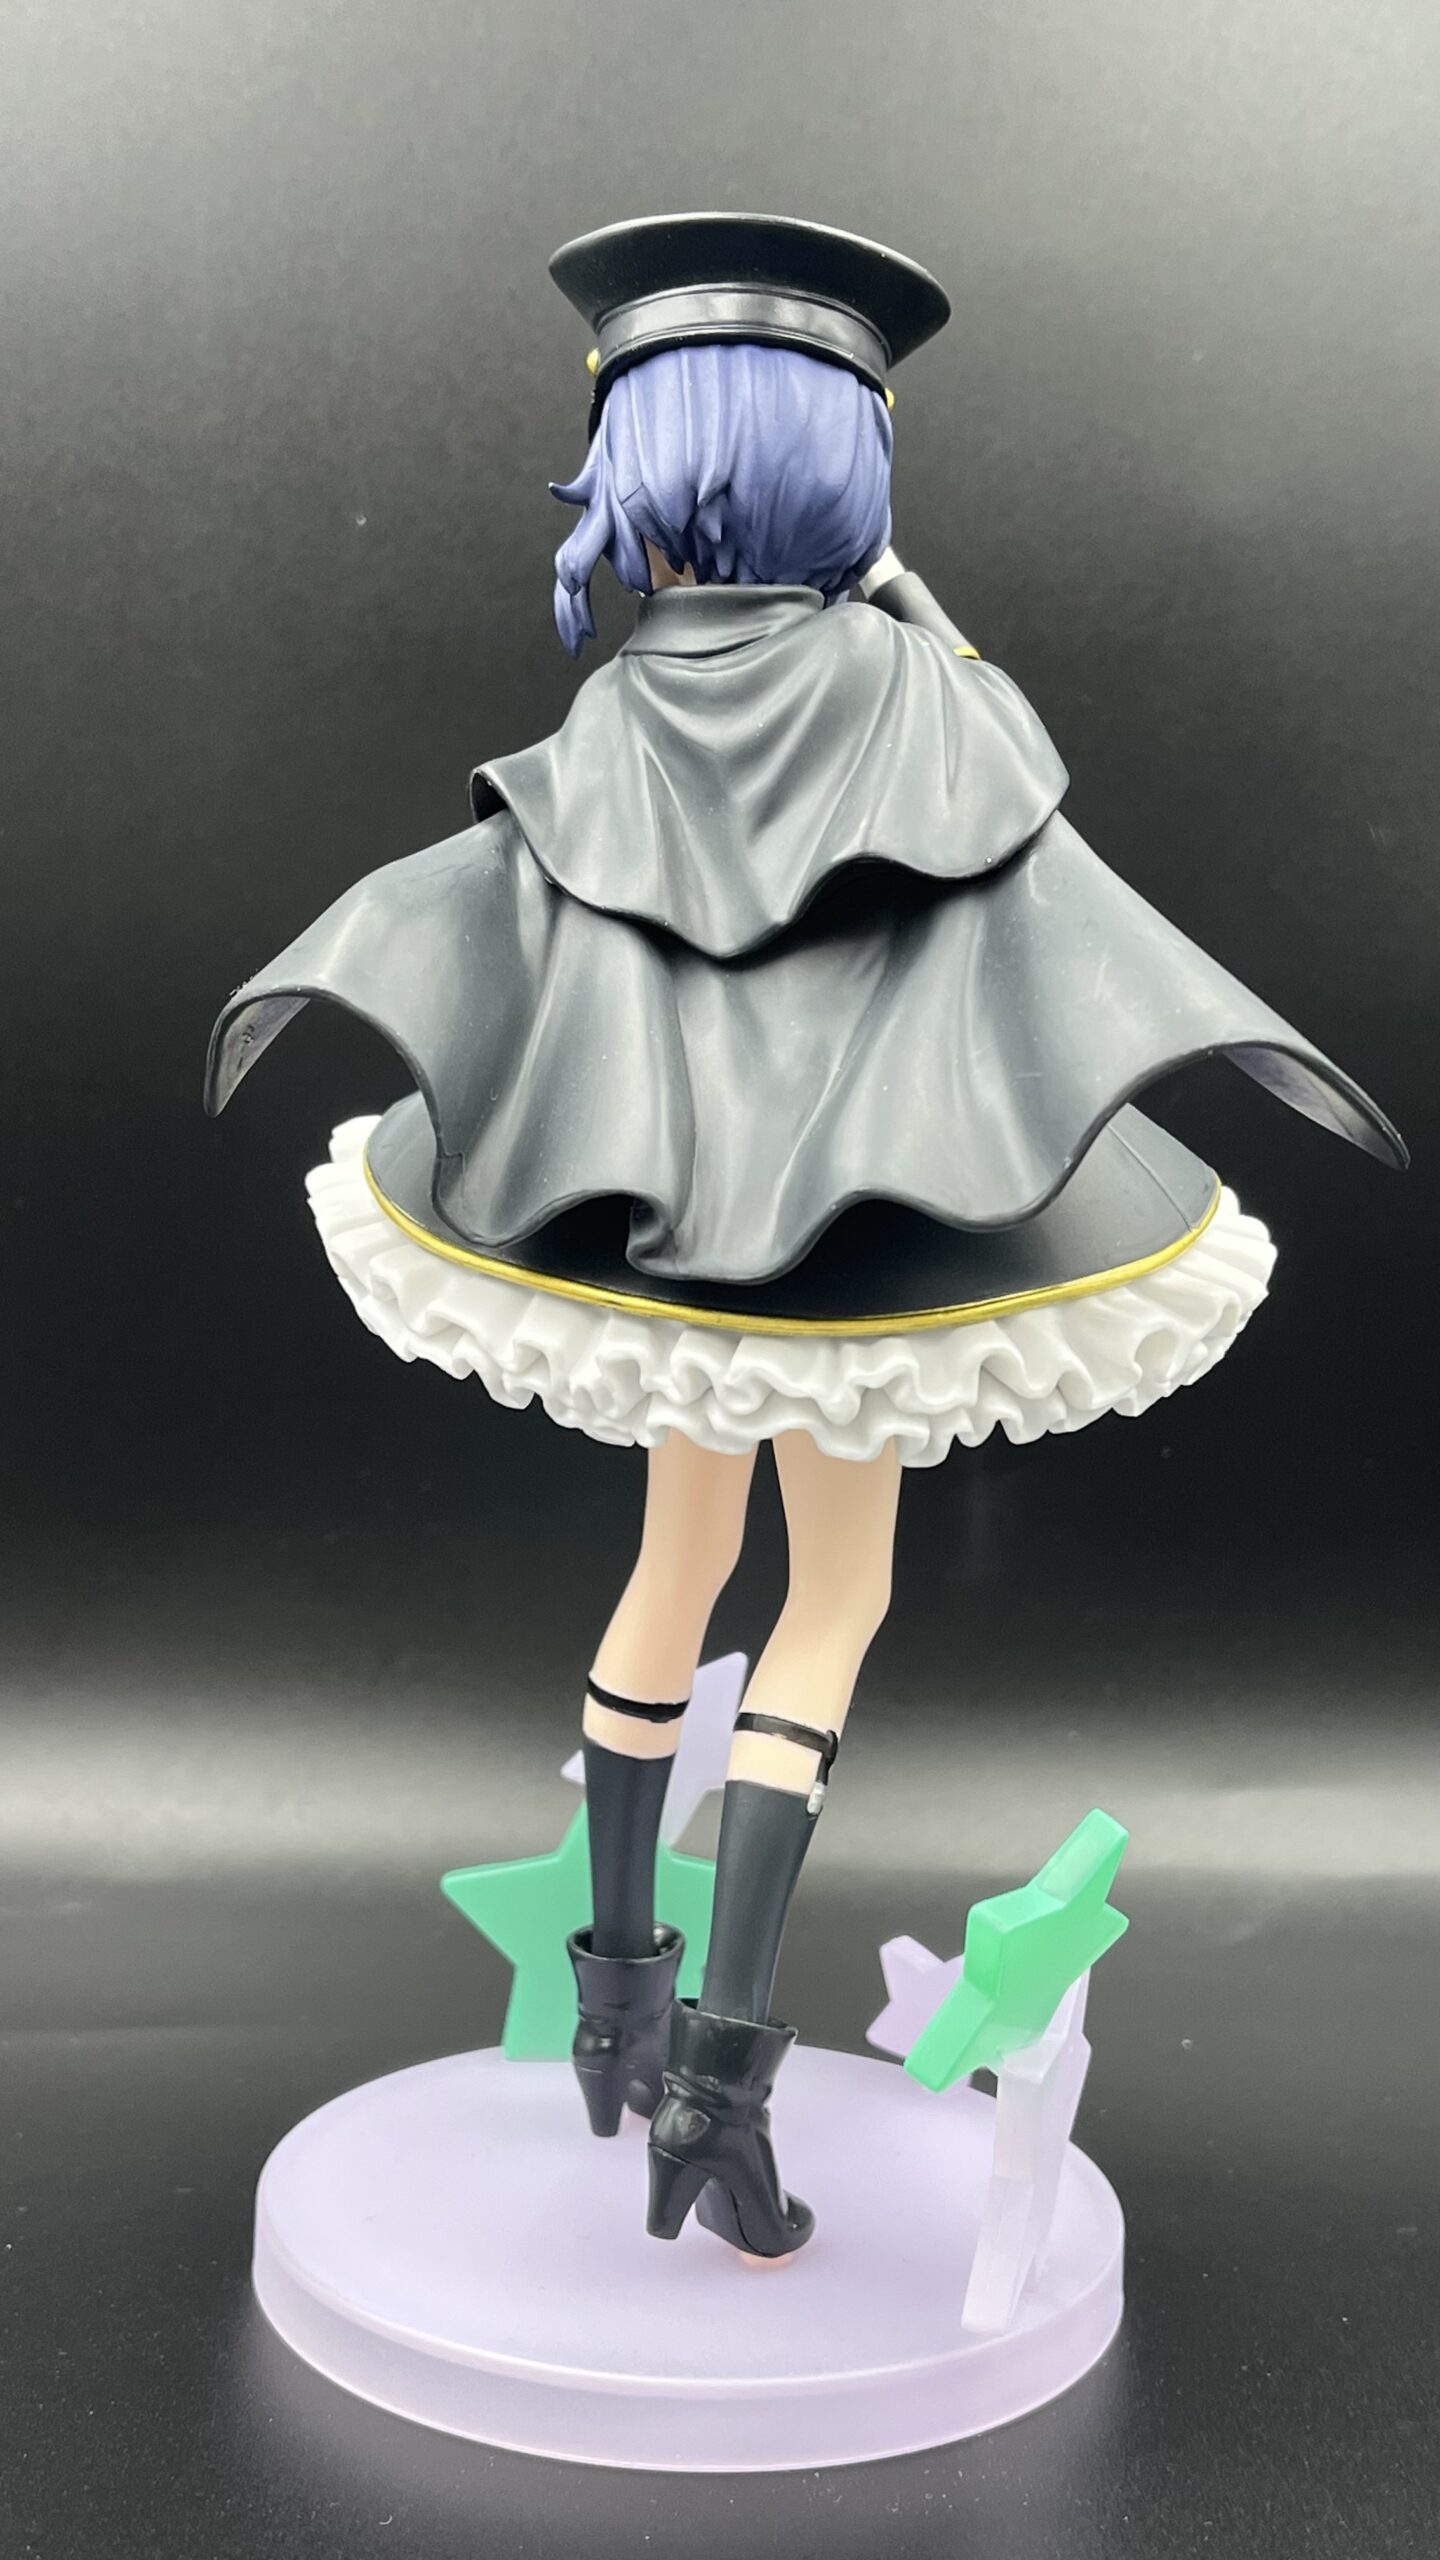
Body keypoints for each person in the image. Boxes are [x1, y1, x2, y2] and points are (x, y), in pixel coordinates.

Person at [207, 213, 1403, 2263]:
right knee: (830, 1588)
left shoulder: (623, 703)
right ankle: (718, 2083)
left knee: (674, 1557)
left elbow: (532, 904)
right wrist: (922, 621)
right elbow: (1026, 820)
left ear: (646, 472)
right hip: (862, 1252)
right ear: (848, 464)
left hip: (658, 1232)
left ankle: (616, 2004)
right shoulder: (918, 690)